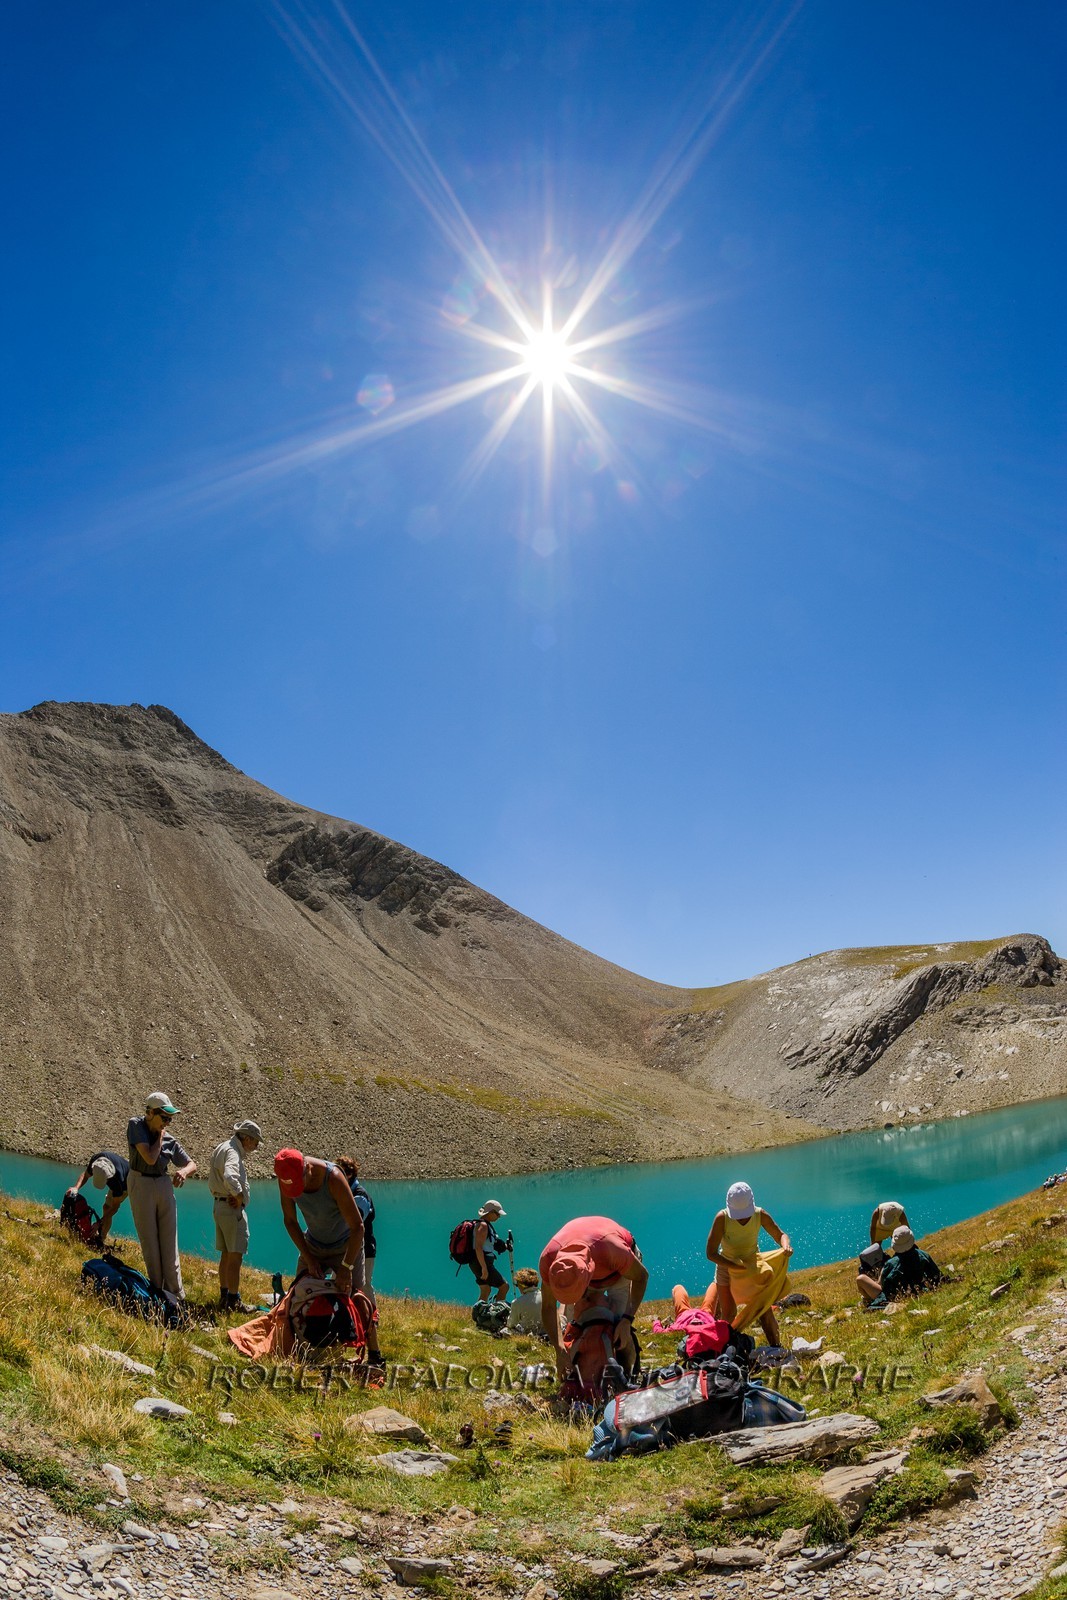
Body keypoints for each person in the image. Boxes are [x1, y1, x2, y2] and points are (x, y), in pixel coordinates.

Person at [274, 1148, 382, 1364]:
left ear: (307, 1168)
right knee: (299, 1294)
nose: (295, 1191)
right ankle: (300, 1349)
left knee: (357, 1297)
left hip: (345, 1246)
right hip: (313, 1244)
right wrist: (309, 1257)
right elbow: (290, 1221)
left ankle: (375, 1357)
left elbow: (357, 1227)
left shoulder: (332, 1178)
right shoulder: (286, 1177)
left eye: (298, 1184)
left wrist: (345, 1268)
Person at [539, 1215, 648, 1378]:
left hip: (619, 1272)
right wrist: (559, 1348)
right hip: (590, 1267)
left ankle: (628, 1373)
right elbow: (548, 1306)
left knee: (618, 1326)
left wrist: (627, 1319)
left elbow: (641, 1277)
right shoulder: (550, 1261)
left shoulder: (612, 1249)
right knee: (576, 1325)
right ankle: (581, 1372)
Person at [126, 1091, 197, 1298]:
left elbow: (192, 1163)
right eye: (164, 1118)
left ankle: (176, 1294)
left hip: (163, 1184)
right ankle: (158, 1291)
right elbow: (149, 1157)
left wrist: (183, 1171)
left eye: (170, 1119)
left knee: (169, 1240)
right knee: (150, 1240)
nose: (167, 1123)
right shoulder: (136, 1125)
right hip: (141, 1183)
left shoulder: (169, 1139)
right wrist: (159, 1137)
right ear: (150, 1113)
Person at [705, 1181, 792, 1347]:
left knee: (764, 1310)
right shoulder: (721, 1218)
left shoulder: (760, 1214)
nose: (743, 1218)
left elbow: (781, 1235)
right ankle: (725, 1353)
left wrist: (785, 1245)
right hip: (726, 1268)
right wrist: (734, 1266)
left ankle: (776, 1348)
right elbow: (711, 1253)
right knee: (729, 1314)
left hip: (753, 1267)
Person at [209, 1120, 261, 1312]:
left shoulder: (224, 1146)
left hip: (219, 1206)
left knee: (226, 1254)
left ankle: (225, 1296)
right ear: (246, 1138)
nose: (255, 1147)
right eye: (255, 1142)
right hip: (231, 1210)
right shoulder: (233, 1152)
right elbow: (230, 1176)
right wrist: (238, 1196)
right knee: (235, 1256)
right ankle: (233, 1300)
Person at [336, 1156, 378, 1305]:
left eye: (341, 1173)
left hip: (364, 1248)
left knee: (364, 1285)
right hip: (346, 1247)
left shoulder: (360, 1195)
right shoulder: (343, 1192)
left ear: (349, 1174)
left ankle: (372, 1319)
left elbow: (353, 1223)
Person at [65, 1150, 130, 1245]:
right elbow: (85, 1175)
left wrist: (99, 1222)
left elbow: (115, 1207)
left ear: (108, 1177)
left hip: (128, 1184)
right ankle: (100, 1235)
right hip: (116, 1175)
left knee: (108, 1208)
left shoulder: (118, 1181)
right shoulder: (96, 1160)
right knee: (106, 1207)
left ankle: (101, 1238)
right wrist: (76, 1187)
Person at [869, 1225, 942, 1306]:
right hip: (922, 1289)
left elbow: (883, 1285)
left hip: (897, 1297)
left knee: (861, 1278)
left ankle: (866, 1300)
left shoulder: (890, 1263)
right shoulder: (923, 1255)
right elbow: (936, 1274)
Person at [857, 1200, 911, 1303]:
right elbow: (873, 1228)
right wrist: (874, 1246)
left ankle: (870, 1292)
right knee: (875, 1252)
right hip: (880, 1228)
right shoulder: (877, 1213)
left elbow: (906, 1229)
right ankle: (875, 1269)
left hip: (896, 1226)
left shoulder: (900, 1212)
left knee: (900, 1244)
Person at [470, 1200, 509, 1304]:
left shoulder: (482, 1224)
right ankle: (498, 1313)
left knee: (486, 1290)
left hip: (477, 1262)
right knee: (504, 1286)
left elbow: (488, 1244)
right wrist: (484, 1268)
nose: (498, 1217)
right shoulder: (483, 1226)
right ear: (490, 1212)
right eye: (497, 1214)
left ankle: (479, 1316)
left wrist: (505, 1246)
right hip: (482, 1263)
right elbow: (478, 1247)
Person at [508, 1267, 545, 1336]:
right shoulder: (545, 1297)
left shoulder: (517, 1302)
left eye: (517, 1285)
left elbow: (511, 1324)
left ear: (521, 1285)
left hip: (529, 1334)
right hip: (548, 1333)